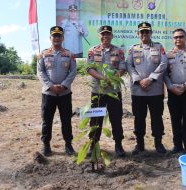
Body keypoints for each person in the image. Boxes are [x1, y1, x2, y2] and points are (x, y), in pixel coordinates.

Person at [126, 22, 167, 155]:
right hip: (138, 91)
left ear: (151, 33)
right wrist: (139, 80)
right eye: (142, 32)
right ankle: (140, 144)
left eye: (147, 32)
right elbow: (129, 66)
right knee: (139, 117)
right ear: (138, 34)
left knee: (157, 117)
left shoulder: (159, 47)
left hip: (155, 89)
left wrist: (150, 78)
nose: (144, 34)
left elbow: (164, 63)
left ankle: (158, 143)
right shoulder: (133, 49)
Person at [86, 25, 126, 157]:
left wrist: (113, 78)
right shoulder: (93, 51)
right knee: (95, 120)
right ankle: (93, 145)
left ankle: (118, 146)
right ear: (99, 36)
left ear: (112, 36)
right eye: (103, 34)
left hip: (114, 91)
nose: (105, 36)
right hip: (98, 92)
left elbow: (122, 68)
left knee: (116, 119)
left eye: (108, 34)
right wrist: (103, 78)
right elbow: (90, 68)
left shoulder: (119, 51)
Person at [37, 26, 77, 156]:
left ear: (63, 38)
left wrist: (64, 85)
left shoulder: (69, 54)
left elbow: (73, 71)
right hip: (48, 94)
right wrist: (50, 86)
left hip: (65, 93)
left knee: (66, 120)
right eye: (54, 36)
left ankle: (68, 145)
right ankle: (46, 145)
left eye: (59, 36)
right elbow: (40, 72)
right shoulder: (43, 54)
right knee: (47, 120)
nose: (57, 38)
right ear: (50, 38)